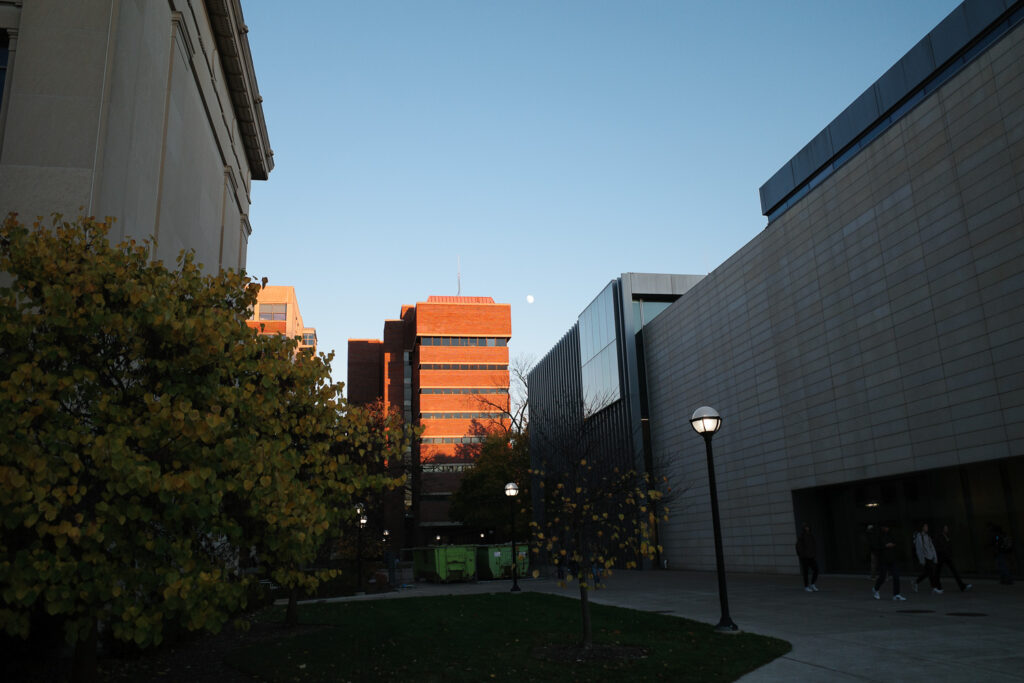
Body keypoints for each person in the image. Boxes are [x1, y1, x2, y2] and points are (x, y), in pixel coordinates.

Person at [933, 524, 972, 592]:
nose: (947, 529)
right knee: (937, 572)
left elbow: (948, 546)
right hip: (941, 557)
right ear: (943, 529)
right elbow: (940, 547)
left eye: (947, 528)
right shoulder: (939, 537)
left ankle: (962, 586)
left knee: (954, 571)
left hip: (947, 557)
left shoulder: (947, 536)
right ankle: (937, 587)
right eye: (945, 528)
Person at [872, 523, 906, 600]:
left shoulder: (891, 535)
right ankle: (876, 589)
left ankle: (896, 594)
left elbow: (896, 542)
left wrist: (893, 545)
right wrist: (885, 546)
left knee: (896, 576)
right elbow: (875, 547)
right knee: (882, 577)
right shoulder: (878, 536)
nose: (887, 528)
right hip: (883, 559)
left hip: (892, 558)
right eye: (885, 527)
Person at [912, 522, 943, 594]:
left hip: (929, 556)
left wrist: (934, 556)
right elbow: (919, 549)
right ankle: (934, 588)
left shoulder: (927, 536)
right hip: (925, 557)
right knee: (931, 572)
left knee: (928, 573)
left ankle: (916, 582)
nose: (927, 528)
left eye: (927, 526)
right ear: (922, 527)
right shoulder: (919, 536)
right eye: (925, 526)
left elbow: (931, 547)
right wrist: (922, 559)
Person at [795, 522, 819, 592]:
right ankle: (806, 586)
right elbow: (798, 546)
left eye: (808, 527)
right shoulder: (802, 536)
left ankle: (812, 584)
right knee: (805, 572)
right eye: (806, 527)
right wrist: (802, 555)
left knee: (816, 569)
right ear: (804, 528)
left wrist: (814, 553)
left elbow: (813, 545)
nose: (807, 528)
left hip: (811, 556)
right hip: (805, 557)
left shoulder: (811, 535)